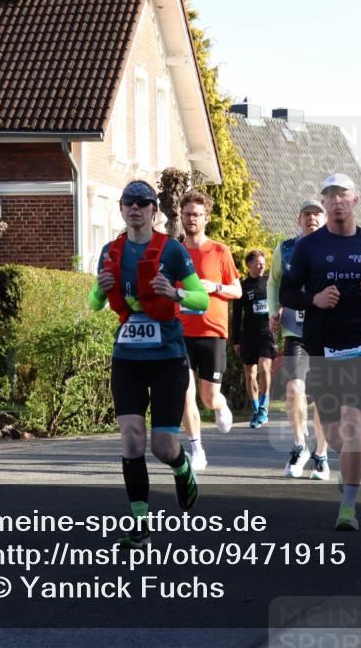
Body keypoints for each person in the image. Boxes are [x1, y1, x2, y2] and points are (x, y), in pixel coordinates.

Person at [90, 180, 206, 549]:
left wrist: (177, 293)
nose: (135, 209)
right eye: (129, 203)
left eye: (143, 203)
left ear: (154, 211)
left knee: (162, 445)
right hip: (127, 357)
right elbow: (95, 303)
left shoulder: (171, 250)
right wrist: (99, 288)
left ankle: (181, 466)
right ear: (122, 210)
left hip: (168, 357)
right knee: (131, 439)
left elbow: (202, 300)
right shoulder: (110, 251)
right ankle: (140, 525)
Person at [280, 173, 361, 531]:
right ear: (325, 203)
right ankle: (339, 466)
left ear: (355, 200)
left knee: (352, 423)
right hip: (320, 346)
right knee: (331, 434)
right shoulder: (308, 247)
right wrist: (314, 299)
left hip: (360, 344)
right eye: (329, 196)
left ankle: (348, 505)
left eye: (342, 195)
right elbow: (287, 293)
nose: (336, 201)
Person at [177, 190, 241, 471]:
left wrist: (214, 287)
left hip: (213, 333)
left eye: (197, 214)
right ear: (181, 217)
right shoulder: (174, 251)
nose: (192, 218)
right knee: (184, 392)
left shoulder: (219, 251)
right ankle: (196, 448)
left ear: (206, 218)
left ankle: (221, 404)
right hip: (180, 333)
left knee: (208, 397)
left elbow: (237, 290)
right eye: (188, 214)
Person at [267, 199, 330, 479]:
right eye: (306, 215)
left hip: (327, 332)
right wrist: (273, 311)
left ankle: (321, 455)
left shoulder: (335, 249)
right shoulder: (286, 248)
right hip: (296, 332)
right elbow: (274, 283)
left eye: (317, 215)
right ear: (298, 220)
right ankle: (299, 445)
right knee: (294, 389)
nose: (311, 219)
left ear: (325, 220)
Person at [233, 249, 276, 428]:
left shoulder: (270, 283)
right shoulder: (242, 287)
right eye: (258, 263)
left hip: (266, 333)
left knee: (265, 367)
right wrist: (236, 340)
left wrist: (279, 313)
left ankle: (264, 409)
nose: (261, 266)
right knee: (250, 374)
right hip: (248, 336)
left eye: (263, 264)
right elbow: (236, 316)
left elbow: (280, 303)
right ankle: (257, 409)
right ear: (249, 265)